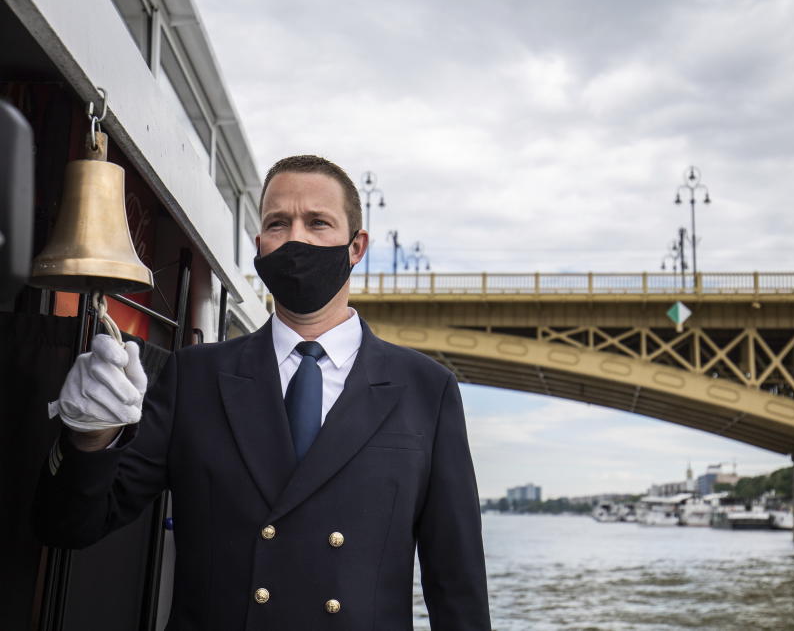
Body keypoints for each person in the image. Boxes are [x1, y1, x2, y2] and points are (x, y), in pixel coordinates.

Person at [34, 155, 491, 630]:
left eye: (318, 223)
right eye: (278, 223)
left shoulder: (425, 389)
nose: (296, 238)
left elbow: (456, 584)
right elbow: (69, 527)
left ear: (356, 247)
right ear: (260, 246)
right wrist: (88, 441)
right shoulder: (196, 377)